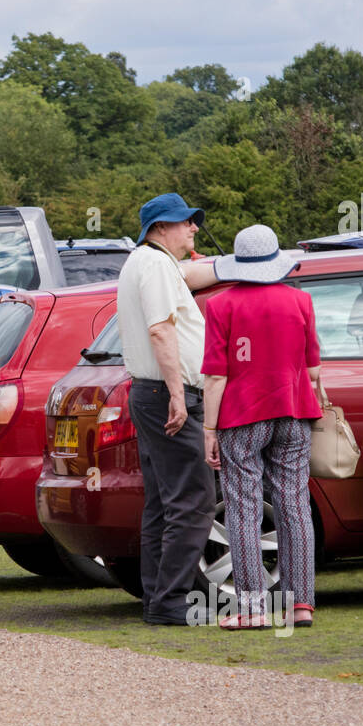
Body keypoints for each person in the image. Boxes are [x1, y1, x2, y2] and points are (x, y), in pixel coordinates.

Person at [201, 224, 321, 629]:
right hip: (294, 411)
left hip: (241, 417)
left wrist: (208, 429)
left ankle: (251, 608)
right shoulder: (301, 301)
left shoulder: (219, 306)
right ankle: (301, 602)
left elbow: (215, 376)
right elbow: (314, 368)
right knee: (294, 505)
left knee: (243, 507)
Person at [117, 192, 218, 625]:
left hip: (150, 391)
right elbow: (161, 330)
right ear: (161, 228)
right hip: (166, 394)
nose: (194, 228)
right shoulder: (155, 265)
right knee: (194, 500)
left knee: (162, 502)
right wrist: (178, 394)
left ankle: (159, 599)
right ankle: (172, 601)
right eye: (185, 222)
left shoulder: (145, 262)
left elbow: (192, 272)